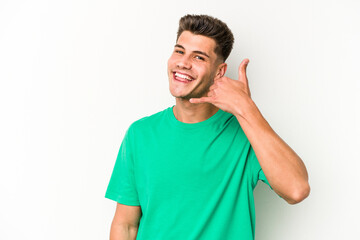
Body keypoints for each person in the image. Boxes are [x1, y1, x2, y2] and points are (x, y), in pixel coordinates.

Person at [105, 14, 310, 240]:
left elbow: (296, 189)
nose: (183, 62)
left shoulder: (245, 133)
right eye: (179, 51)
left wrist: (246, 108)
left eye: (199, 57)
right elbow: (125, 225)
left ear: (219, 72)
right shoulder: (140, 134)